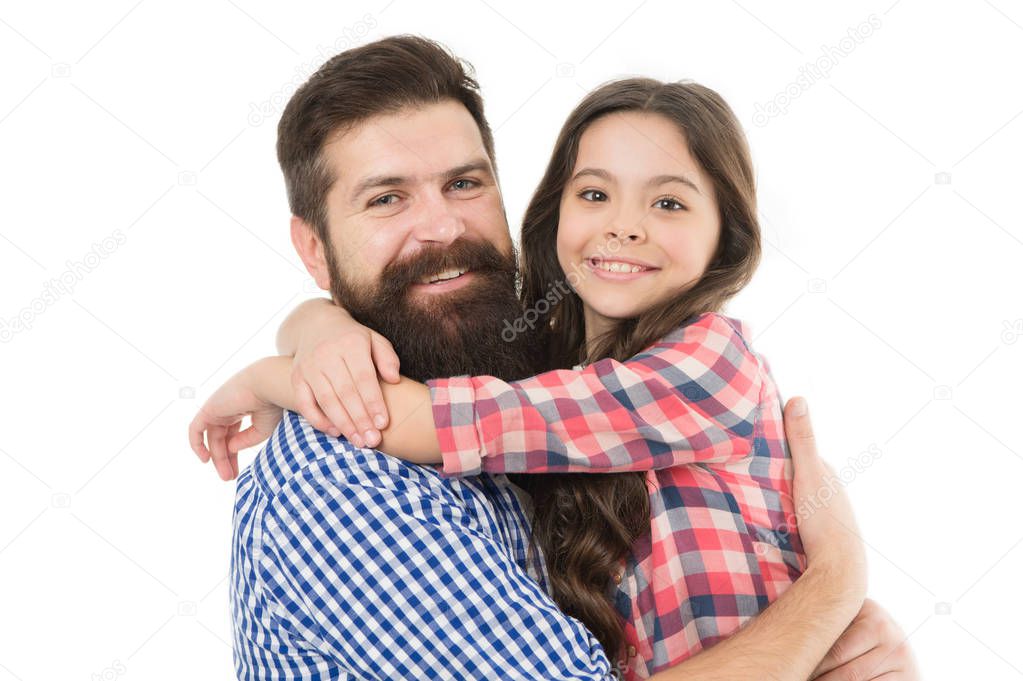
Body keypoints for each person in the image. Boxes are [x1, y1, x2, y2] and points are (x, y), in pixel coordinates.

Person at [189, 35, 918, 680]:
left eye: (464, 184)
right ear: (313, 249)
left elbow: (475, 416)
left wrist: (290, 360)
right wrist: (831, 586)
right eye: (386, 199)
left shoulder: (599, 371)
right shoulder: (340, 488)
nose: (441, 226)